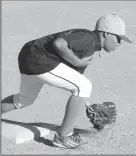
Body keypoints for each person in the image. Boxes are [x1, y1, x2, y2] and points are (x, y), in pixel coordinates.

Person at [1, 14, 133, 149]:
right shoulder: (88, 38)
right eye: (118, 38)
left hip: (29, 56)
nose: (119, 43)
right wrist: (77, 61)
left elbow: (73, 80)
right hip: (38, 58)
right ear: (106, 34)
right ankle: (63, 136)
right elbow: (59, 43)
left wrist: (88, 106)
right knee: (84, 85)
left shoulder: (90, 47)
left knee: (24, 100)